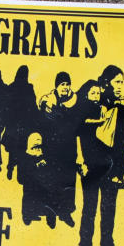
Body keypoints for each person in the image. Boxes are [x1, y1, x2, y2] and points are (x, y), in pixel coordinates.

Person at [76, 65, 124, 246]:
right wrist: (80, 161)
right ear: (106, 83)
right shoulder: (91, 102)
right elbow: (79, 134)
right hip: (90, 166)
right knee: (88, 211)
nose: (120, 86)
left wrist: (122, 173)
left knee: (109, 213)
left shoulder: (123, 108)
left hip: (112, 168)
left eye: (122, 82)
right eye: (117, 82)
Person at [37, 71, 80, 227]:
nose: (65, 87)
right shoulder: (48, 100)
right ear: (56, 86)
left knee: (68, 181)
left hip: (68, 149)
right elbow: (45, 113)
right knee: (52, 180)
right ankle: (51, 213)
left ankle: (66, 212)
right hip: (52, 149)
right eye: (62, 84)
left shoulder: (73, 100)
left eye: (68, 84)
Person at [1, 65, 37, 181]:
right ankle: (20, 175)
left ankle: (10, 167)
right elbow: (33, 106)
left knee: (12, 149)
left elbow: (6, 106)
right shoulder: (29, 88)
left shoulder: (11, 87)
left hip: (13, 123)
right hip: (25, 124)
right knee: (22, 148)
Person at [18, 132, 56, 228]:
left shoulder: (44, 158)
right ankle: (28, 215)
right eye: (35, 147)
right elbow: (21, 179)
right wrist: (35, 167)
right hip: (29, 190)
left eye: (39, 146)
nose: (38, 150)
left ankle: (48, 216)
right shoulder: (25, 159)